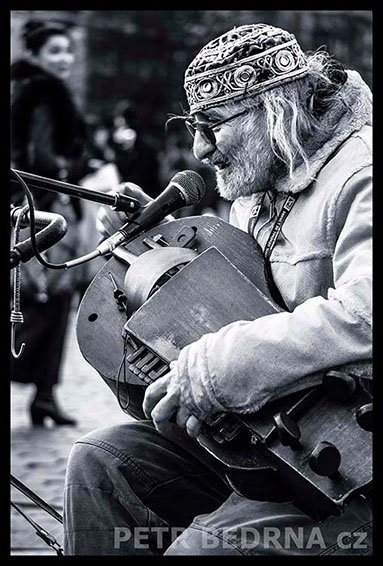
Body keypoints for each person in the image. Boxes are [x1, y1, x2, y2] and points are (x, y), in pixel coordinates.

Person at [63, 23, 372, 555]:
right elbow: (246, 293)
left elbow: (364, 315)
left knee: (203, 549)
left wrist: (210, 370)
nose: (200, 149)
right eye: (191, 127)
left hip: (352, 456)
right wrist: (157, 250)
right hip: (269, 440)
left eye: (211, 126)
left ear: (273, 112)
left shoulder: (361, 171)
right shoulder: (259, 183)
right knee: (100, 462)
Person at [11, 19, 90, 426]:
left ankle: (45, 395)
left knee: (51, 301)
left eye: (67, 50)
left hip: (36, 203)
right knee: (44, 299)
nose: (64, 59)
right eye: (54, 52)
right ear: (36, 57)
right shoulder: (44, 92)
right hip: (45, 207)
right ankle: (42, 391)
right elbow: (40, 155)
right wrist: (65, 177)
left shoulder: (29, 90)